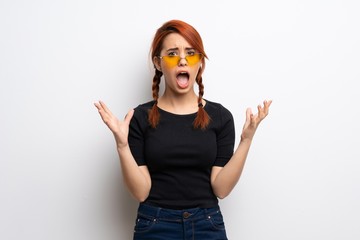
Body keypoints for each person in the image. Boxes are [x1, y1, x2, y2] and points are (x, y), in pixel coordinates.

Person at [94, 19, 272, 240]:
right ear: (158, 63)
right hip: (155, 225)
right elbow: (141, 191)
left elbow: (221, 188)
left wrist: (246, 141)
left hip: (208, 224)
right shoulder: (140, 117)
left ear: (200, 63)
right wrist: (122, 146)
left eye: (190, 53)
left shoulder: (220, 117)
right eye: (172, 54)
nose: (182, 60)